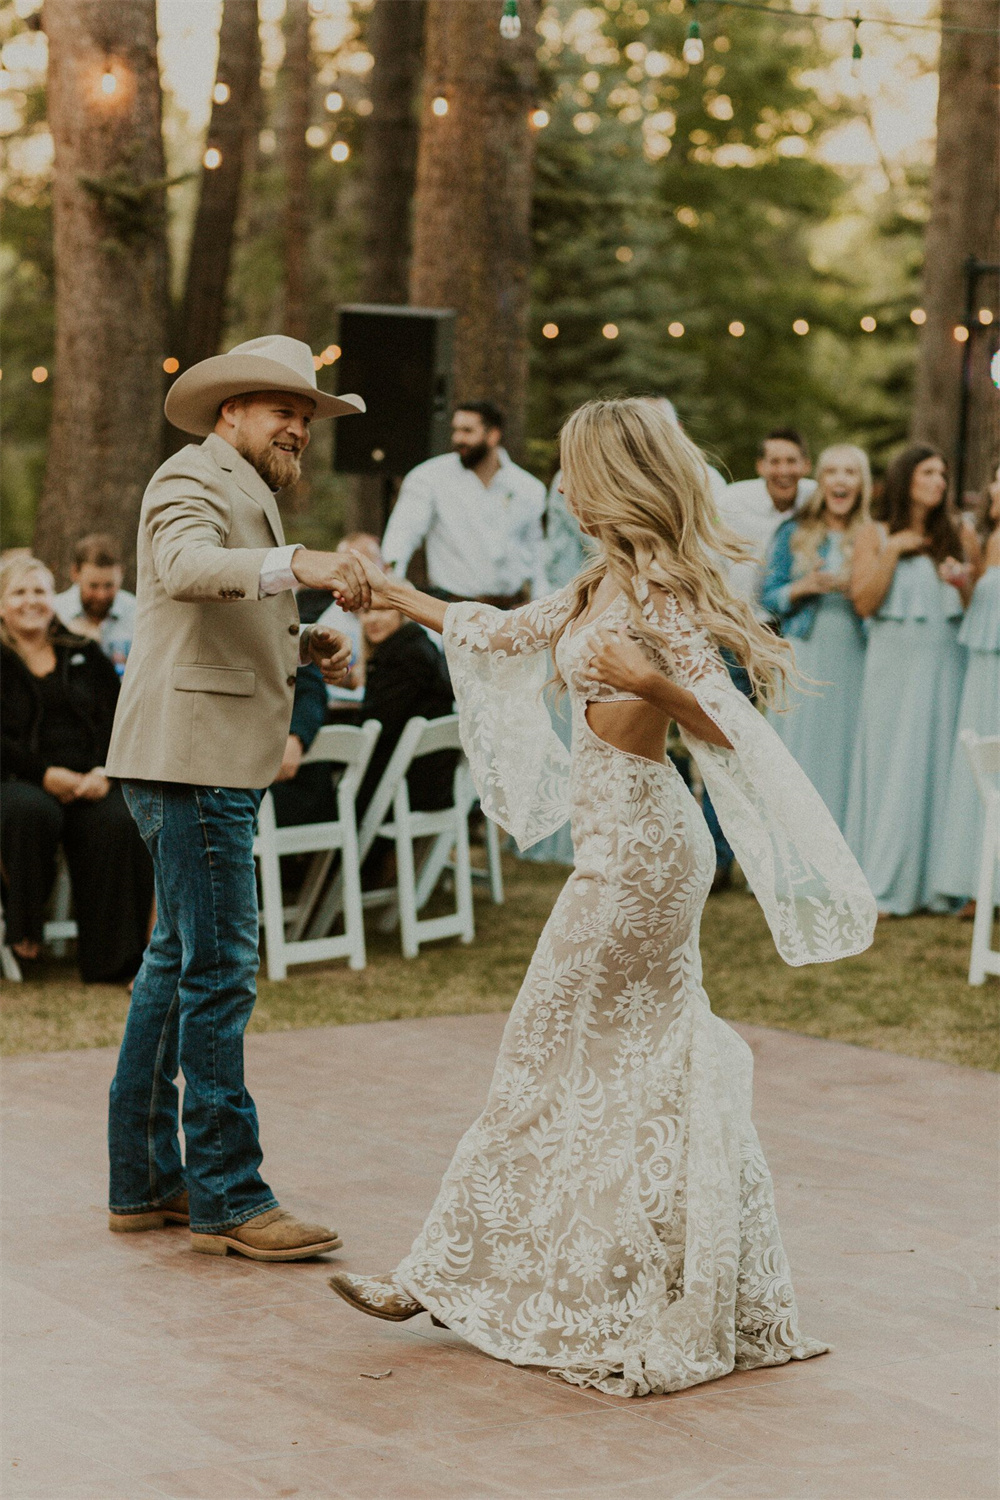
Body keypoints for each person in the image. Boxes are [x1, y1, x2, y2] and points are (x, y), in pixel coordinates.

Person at [327, 397, 876, 1398]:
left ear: (617, 478)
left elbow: (727, 725)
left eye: (578, 474)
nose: (568, 492)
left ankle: (438, 1279)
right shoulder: (598, 583)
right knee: (619, 1060)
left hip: (644, 852)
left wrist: (650, 685)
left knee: (544, 1048)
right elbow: (493, 632)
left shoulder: (662, 592)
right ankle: (502, 1274)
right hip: (613, 846)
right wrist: (393, 593)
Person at [105, 334, 371, 1261]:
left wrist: (306, 643)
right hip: (193, 760)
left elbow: (216, 615)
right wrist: (302, 565)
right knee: (217, 970)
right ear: (229, 414)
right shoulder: (189, 479)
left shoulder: (244, 489)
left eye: (304, 413)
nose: (297, 424)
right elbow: (184, 570)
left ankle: (143, 1183)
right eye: (279, 408)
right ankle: (229, 1195)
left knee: (178, 965)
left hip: (202, 753)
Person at [0, 554, 153, 981]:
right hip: (18, 779)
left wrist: (104, 771)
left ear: (54, 600)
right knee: (32, 812)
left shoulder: (82, 651)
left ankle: (116, 959)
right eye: (19, 592)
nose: (31, 601)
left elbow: (120, 714)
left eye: (39, 592)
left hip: (91, 779)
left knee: (122, 820)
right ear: (0, 604)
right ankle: (25, 932)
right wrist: (45, 775)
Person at [845, 445, 978, 916]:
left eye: (942, 473)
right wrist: (893, 552)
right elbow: (864, 602)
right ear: (906, 480)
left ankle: (939, 884)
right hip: (891, 669)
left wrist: (962, 584)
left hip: (944, 663)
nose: (939, 482)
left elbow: (974, 609)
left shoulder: (960, 533)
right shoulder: (874, 533)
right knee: (890, 765)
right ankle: (884, 881)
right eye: (929, 473)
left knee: (939, 762)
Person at [762, 445, 871, 830]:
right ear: (821, 481)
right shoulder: (794, 532)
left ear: (861, 483)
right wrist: (804, 586)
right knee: (799, 752)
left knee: (847, 752)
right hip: (805, 653)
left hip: (857, 656)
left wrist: (859, 590)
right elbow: (767, 599)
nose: (841, 480)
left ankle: (846, 849)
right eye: (832, 472)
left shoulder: (873, 536)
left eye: (850, 472)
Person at [381, 402, 547, 606]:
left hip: (511, 611)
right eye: (456, 430)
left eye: (467, 431)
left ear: (493, 435)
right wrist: (392, 585)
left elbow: (536, 550)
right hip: (452, 608)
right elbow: (403, 534)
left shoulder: (528, 487)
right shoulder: (429, 477)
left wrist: (542, 602)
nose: (458, 439)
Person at [932, 464, 1000, 911]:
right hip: (982, 665)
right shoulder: (994, 539)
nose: (992, 487)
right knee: (979, 770)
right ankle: (979, 881)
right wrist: (964, 582)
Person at [354, 593, 456, 820]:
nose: (372, 620)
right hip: (435, 783)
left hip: (407, 788)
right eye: (367, 612)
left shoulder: (402, 658)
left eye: (382, 610)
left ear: (402, 614)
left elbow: (375, 724)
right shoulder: (420, 648)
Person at [717, 429, 817, 622]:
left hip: (791, 624)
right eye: (775, 462)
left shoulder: (815, 499)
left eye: (791, 461)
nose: (784, 471)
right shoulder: (731, 502)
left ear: (806, 465)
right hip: (738, 622)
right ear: (760, 466)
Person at [54, 533, 137, 675]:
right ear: (75, 573)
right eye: (93, 586)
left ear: (121, 574)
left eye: (109, 586)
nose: (101, 595)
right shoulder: (56, 612)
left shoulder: (136, 612)